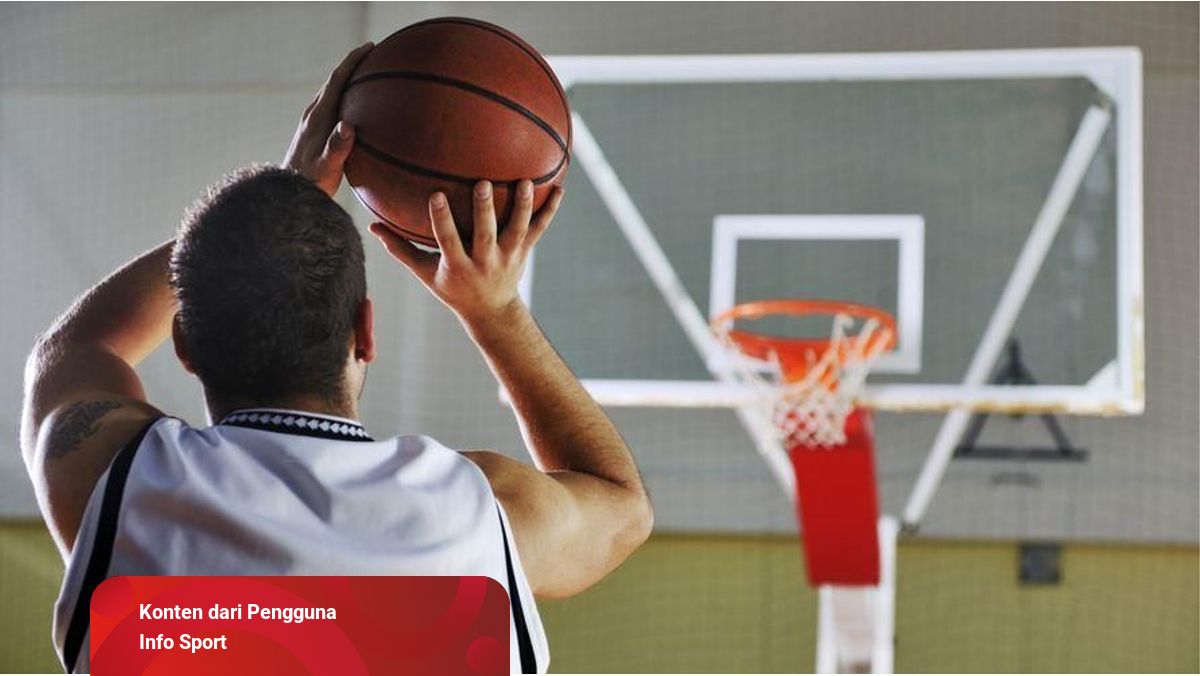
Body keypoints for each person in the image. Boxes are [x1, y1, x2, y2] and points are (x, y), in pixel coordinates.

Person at [21, 43, 652, 675]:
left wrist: (284, 196)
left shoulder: (122, 479)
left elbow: (77, 349)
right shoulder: (482, 513)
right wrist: (494, 311)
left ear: (185, 344)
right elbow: (621, 509)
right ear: (365, 331)